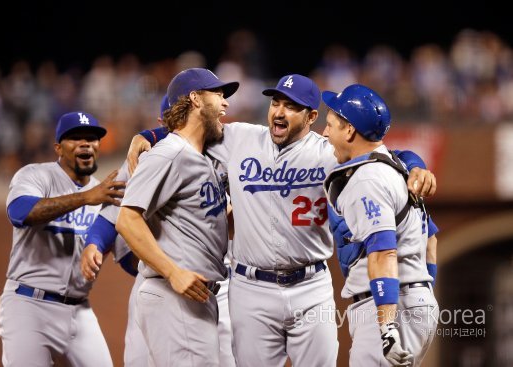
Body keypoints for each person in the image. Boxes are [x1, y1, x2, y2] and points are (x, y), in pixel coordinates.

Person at [127, 74, 436, 366]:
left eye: (291, 106)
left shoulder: (329, 150)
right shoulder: (238, 138)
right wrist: (148, 135)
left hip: (311, 286)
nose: (279, 111)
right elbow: (192, 128)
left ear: (312, 117)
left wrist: (416, 165)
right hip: (251, 287)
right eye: (276, 102)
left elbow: (380, 154)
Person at [81, 93, 236, 366]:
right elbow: (117, 216)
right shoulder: (150, 159)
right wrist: (95, 244)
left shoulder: (218, 152)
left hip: (216, 283)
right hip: (163, 278)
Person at [322, 84, 439, 366]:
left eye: (330, 126)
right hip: (408, 299)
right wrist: (423, 292)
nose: (325, 133)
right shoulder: (396, 166)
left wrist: (387, 328)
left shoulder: (367, 178)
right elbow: (431, 240)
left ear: (349, 131)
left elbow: (383, 252)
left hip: (389, 306)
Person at [0, 111, 125, 366]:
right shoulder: (35, 175)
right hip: (28, 306)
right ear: (58, 147)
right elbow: (19, 212)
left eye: (91, 138)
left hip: (80, 311)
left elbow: (126, 255)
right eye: (75, 138)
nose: (85, 143)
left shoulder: (103, 193)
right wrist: (87, 198)